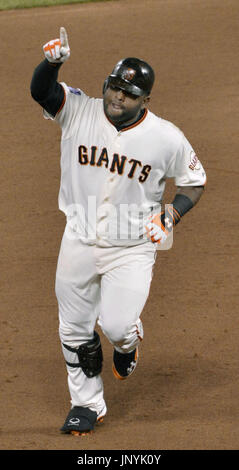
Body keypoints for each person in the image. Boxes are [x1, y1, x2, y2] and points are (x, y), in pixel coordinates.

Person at [30, 27, 206, 436]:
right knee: (74, 330)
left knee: (116, 327)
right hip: (77, 238)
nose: (116, 98)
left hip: (132, 246)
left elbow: (194, 181)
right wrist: (52, 63)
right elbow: (43, 91)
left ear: (145, 99)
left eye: (127, 94)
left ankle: (129, 345)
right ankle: (86, 404)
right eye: (112, 88)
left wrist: (171, 215)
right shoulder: (80, 110)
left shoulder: (166, 137)